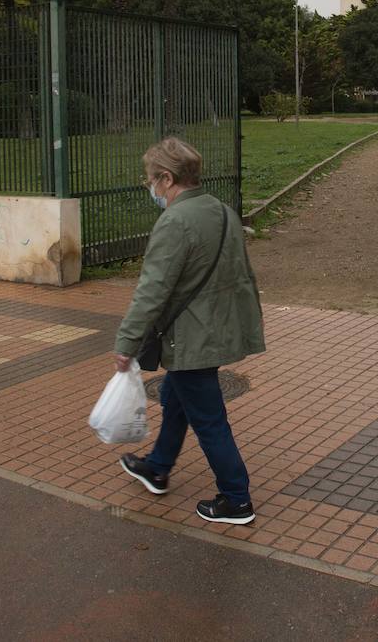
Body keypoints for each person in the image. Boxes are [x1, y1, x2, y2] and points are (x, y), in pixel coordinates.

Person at [113, 137, 265, 525]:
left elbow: (152, 290)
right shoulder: (222, 210)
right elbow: (238, 276)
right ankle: (158, 467)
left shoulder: (175, 221)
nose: (150, 187)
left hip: (191, 337)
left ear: (167, 178)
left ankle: (236, 499)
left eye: (151, 179)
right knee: (174, 394)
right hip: (215, 328)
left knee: (209, 419)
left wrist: (127, 342)